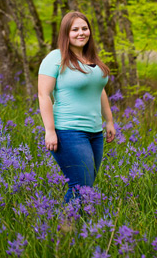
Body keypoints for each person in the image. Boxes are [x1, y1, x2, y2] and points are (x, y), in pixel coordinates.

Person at [37, 11, 117, 203]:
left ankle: (78, 228)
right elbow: (43, 95)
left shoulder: (93, 60)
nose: (81, 33)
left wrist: (109, 121)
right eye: (75, 29)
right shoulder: (55, 58)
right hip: (68, 131)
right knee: (80, 186)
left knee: (87, 186)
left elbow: (100, 91)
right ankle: (65, 229)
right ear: (66, 33)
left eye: (84, 28)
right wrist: (49, 131)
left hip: (95, 132)